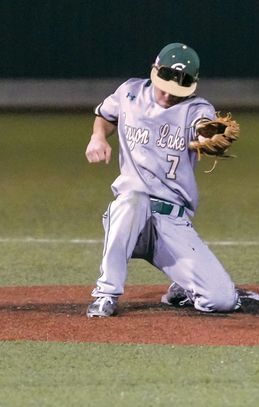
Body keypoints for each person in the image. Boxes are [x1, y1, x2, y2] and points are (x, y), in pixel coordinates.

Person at [85, 42, 246, 317]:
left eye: (177, 90)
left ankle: (183, 285)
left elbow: (203, 127)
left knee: (221, 301)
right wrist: (98, 136)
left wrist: (207, 136)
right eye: (165, 86)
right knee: (132, 199)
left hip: (171, 223)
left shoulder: (197, 109)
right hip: (130, 218)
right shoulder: (130, 92)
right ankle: (106, 294)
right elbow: (105, 115)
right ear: (154, 71)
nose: (169, 95)